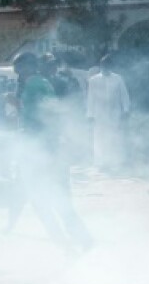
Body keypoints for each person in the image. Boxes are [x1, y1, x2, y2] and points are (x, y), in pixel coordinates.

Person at [8, 52, 93, 252]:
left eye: (18, 68)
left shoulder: (32, 85)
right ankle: (83, 238)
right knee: (60, 198)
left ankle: (65, 245)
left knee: (40, 202)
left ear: (26, 68)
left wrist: (16, 103)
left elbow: (35, 116)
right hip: (53, 148)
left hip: (40, 150)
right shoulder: (44, 82)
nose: (16, 73)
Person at [85, 55, 131, 171]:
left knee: (115, 137)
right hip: (99, 113)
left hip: (115, 112)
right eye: (103, 65)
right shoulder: (93, 80)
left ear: (111, 66)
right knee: (100, 137)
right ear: (101, 65)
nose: (105, 67)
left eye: (108, 64)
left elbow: (124, 95)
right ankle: (101, 162)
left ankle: (116, 161)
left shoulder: (118, 78)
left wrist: (126, 110)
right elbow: (90, 98)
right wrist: (90, 115)